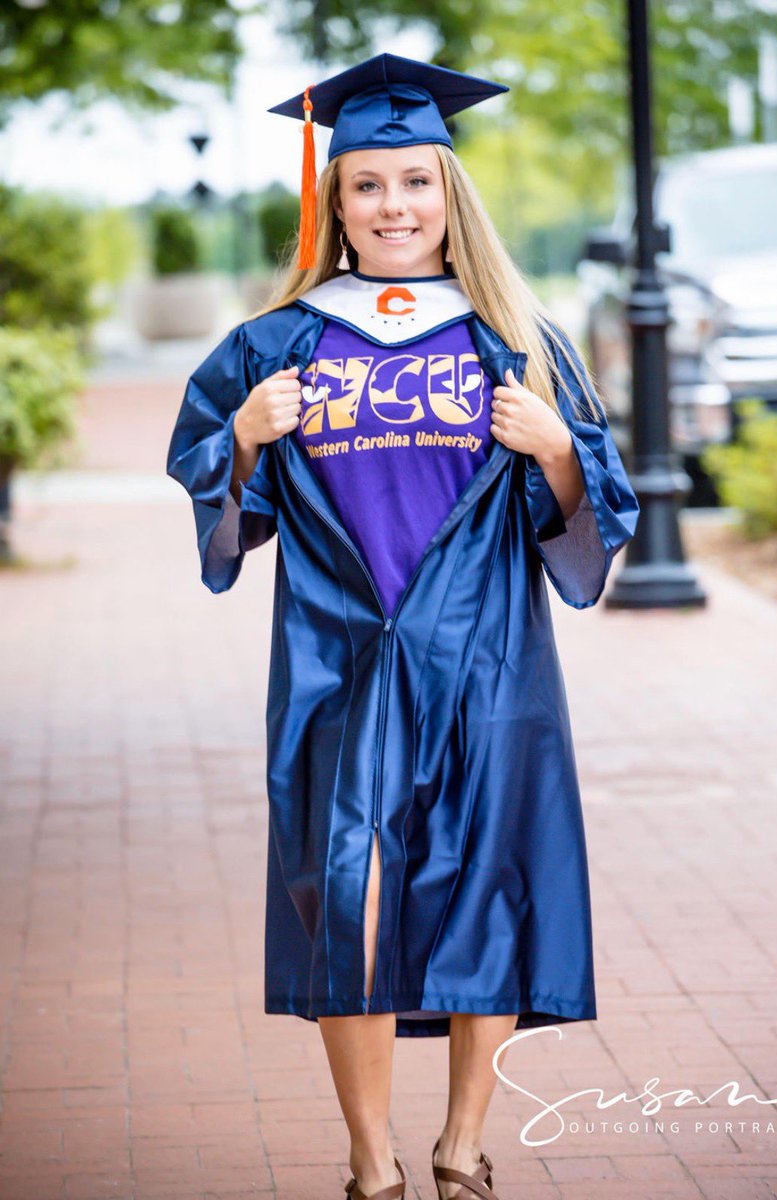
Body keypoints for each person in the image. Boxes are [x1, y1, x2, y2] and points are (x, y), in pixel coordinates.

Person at [166, 52, 640, 1200]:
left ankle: (462, 1149)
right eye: (367, 186)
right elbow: (224, 507)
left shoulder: (515, 335)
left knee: (486, 892)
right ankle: (369, 1159)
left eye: (414, 183)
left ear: (448, 193)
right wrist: (240, 438)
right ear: (334, 202)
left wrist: (558, 453)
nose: (393, 208)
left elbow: (587, 513)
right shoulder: (273, 346)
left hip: (487, 658)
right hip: (338, 661)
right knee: (352, 899)